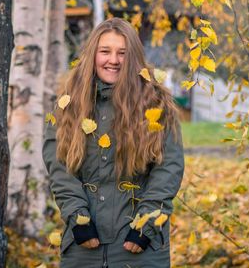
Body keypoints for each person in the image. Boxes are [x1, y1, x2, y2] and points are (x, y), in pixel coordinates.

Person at [42, 17, 184, 268]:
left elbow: (169, 168)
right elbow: (59, 166)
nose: (114, 60)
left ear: (134, 58)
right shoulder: (68, 104)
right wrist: (78, 219)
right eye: (105, 51)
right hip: (83, 244)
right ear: (92, 54)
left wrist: (146, 226)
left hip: (141, 245)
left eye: (122, 53)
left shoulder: (157, 104)